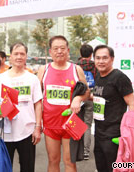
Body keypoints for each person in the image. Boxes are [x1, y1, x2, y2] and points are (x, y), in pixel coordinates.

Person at [37, 35, 90, 172]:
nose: (59, 51)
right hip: (50, 124)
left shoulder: (76, 69)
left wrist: (78, 99)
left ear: (68, 50)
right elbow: (36, 97)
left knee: (70, 162)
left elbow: (86, 92)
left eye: (62, 48)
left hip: (71, 124)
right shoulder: (44, 70)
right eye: (55, 48)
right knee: (53, 161)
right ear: (50, 52)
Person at [0, 42, 43, 172]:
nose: (19, 57)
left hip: (27, 131)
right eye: (16, 54)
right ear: (10, 57)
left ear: (26, 57)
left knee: (28, 167)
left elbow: (38, 104)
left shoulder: (32, 78)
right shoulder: (0, 79)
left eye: (22, 54)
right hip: (5, 132)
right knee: (4, 168)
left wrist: (37, 127)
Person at [92, 45, 134, 172]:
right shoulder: (98, 76)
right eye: (98, 58)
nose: (101, 61)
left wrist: (128, 133)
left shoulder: (120, 77)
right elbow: (100, 97)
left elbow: (131, 104)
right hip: (99, 132)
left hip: (114, 134)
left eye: (105, 58)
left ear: (112, 59)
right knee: (101, 167)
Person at [77, 44, 97, 160]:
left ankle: (77, 150)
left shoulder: (75, 66)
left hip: (78, 97)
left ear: (80, 54)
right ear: (91, 54)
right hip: (91, 96)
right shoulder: (95, 66)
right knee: (87, 124)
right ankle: (86, 152)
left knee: (76, 122)